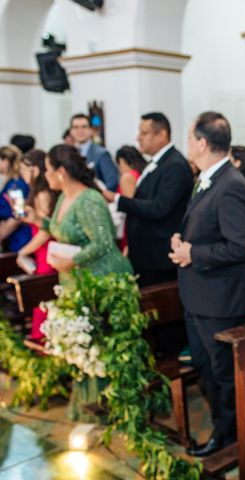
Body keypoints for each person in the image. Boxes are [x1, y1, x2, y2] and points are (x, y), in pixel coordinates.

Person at [172, 111, 245, 457]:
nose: (188, 143)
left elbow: (240, 246)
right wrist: (185, 243)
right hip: (198, 297)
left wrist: (194, 252)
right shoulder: (207, 178)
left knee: (223, 376)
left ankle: (230, 439)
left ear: (203, 142)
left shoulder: (232, 185)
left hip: (220, 302)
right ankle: (223, 431)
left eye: (190, 137)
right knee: (207, 370)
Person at [27, 144, 132, 421]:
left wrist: (72, 261)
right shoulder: (63, 197)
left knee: (99, 344)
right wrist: (38, 220)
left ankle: (108, 408)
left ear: (61, 172)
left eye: (48, 170)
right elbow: (60, 229)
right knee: (82, 344)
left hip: (103, 279)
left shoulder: (89, 200)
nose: (45, 176)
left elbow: (103, 242)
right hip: (76, 281)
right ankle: (88, 404)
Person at [116, 112, 193, 287]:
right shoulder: (157, 162)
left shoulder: (174, 164)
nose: (138, 138)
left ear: (162, 134)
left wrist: (119, 200)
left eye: (144, 133)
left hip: (159, 258)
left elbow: (159, 208)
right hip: (147, 256)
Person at [15, 149, 58, 340]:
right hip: (42, 251)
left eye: (24, 169)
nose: (22, 174)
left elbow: (46, 230)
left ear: (35, 169)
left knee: (45, 300)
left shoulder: (42, 193)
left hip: (46, 252)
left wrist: (23, 251)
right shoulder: (39, 192)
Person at [102, 146, 146, 253]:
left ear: (122, 161)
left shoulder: (128, 176)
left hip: (129, 223)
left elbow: (129, 204)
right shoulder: (143, 173)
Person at [69, 113, 119, 192]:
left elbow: (112, 183)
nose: (80, 131)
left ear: (91, 130)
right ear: (71, 131)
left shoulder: (101, 154)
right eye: (76, 127)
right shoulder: (69, 154)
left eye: (84, 127)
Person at [0, 145, 32, 251]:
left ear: (6, 160)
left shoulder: (16, 185)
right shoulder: (11, 182)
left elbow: (18, 216)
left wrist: (1, 235)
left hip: (19, 238)